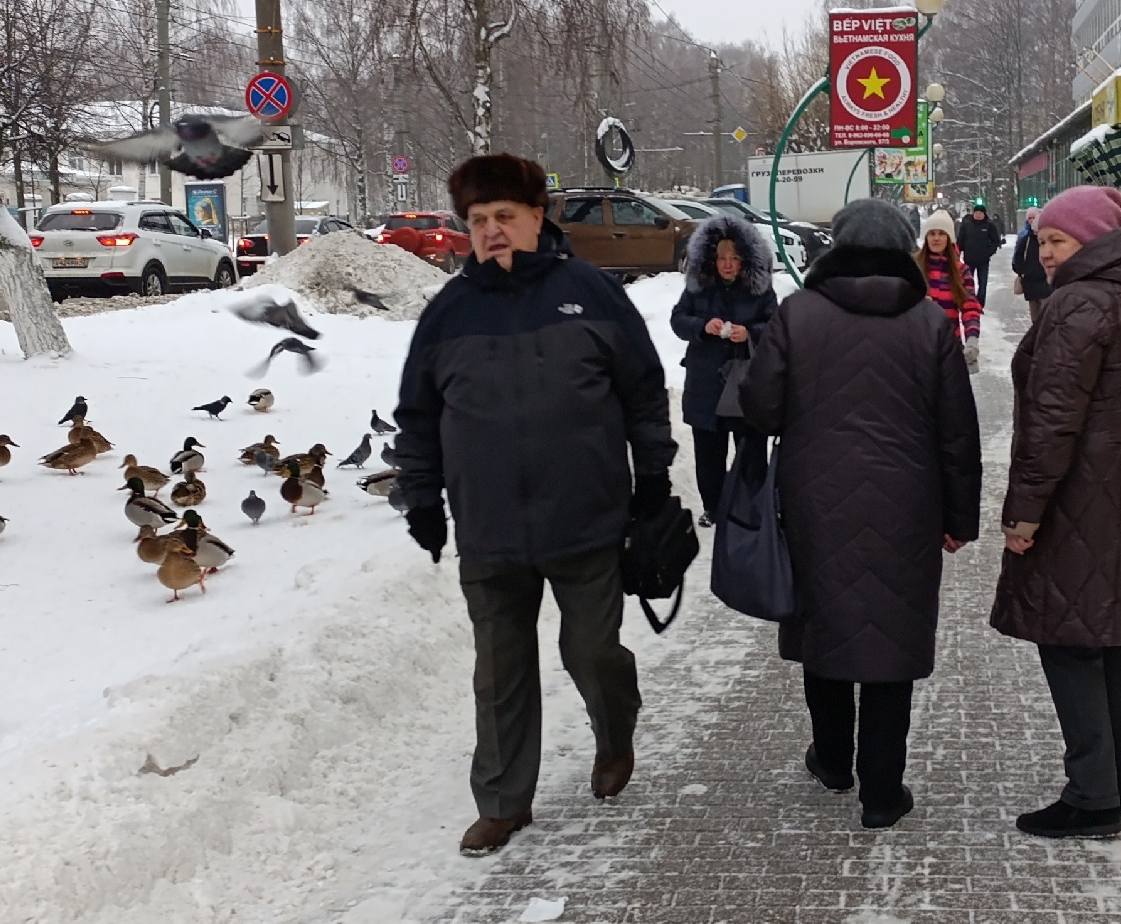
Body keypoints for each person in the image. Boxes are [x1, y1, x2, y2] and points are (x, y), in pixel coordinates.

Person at [394, 153, 678, 856]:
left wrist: (654, 478)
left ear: (537, 217)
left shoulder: (589, 291)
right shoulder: (448, 313)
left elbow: (643, 389)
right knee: (499, 672)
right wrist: (423, 500)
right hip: (488, 528)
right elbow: (417, 416)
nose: (491, 231)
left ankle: (615, 733)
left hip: (586, 518)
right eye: (478, 220)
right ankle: (502, 800)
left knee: (590, 652)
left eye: (504, 217)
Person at [742, 199, 981, 829]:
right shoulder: (930, 322)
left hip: (815, 503)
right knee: (889, 639)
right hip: (909, 504)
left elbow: (761, 410)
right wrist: (961, 518)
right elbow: (959, 431)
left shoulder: (798, 314)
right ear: (903, 251)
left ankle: (831, 759)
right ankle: (882, 790)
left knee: (825, 626)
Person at [990, 182, 1121, 840]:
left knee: (1072, 643)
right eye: (1043, 240)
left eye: (1058, 240)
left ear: (1094, 241)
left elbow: (1051, 424)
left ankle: (1092, 793)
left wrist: (1023, 514)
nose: (1045, 252)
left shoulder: (1078, 305)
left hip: (1082, 502)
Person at [668, 213, 779, 525]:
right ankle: (714, 507)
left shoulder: (760, 290)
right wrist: (703, 326)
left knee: (752, 449)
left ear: (745, 259)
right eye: (721, 258)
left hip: (745, 382)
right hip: (706, 381)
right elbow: (678, 319)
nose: (727, 264)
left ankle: (750, 507)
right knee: (708, 451)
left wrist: (751, 333)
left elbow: (776, 323)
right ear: (711, 260)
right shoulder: (698, 289)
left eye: (734, 258)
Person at [920, 209, 984, 368]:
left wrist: (972, 338)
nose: (936, 238)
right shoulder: (915, 268)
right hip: (920, 347)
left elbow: (970, 306)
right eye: (931, 233)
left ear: (949, 238)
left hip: (950, 346)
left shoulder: (961, 271)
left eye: (941, 233)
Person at [957, 196, 1003, 309]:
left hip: (983, 260)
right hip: (969, 259)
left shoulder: (989, 225)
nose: (978, 215)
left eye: (980, 213)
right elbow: (960, 241)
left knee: (983, 284)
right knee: (968, 283)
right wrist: (958, 253)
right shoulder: (967, 225)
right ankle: (969, 302)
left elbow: (995, 240)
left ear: (984, 214)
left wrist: (989, 251)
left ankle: (980, 304)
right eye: (976, 213)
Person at [1010, 201, 1053, 322]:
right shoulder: (1025, 239)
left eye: (1035, 218)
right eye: (1030, 218)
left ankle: (1043, 336)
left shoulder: (1048, 239)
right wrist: (1022, 272)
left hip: (1044, 281)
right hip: (1030, 282)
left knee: (1045, 314)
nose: (1032, 221)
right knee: (1035, 315)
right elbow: (1017, 257)